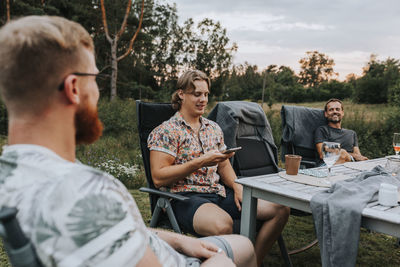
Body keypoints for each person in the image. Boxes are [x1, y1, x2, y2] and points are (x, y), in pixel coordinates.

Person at [0, 16, 257, 267]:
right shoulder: (92, 192)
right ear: (74, 88)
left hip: (164, 243)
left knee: (243, 245)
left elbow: (117, 233)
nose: (98, 93)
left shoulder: (11, 176)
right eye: (95, 79)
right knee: (237, 252)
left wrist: (179, 241)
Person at [148, 70, 290, 267]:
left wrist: (238, 187)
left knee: (280, 209)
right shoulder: (166, 131)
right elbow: (159, 177)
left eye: (206, 94)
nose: (203, 99)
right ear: (181, 94)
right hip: (185, 197)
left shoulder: (213, 128)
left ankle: (253, 261)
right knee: (223, 224)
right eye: (197, 94)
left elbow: (223, 164)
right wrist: (199, 162)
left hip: (219, 192)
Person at [315, 98, 368, 164]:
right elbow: (322, 154)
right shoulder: (322, 130)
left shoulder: (352, 133)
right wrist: (348, 154)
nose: (335, 111)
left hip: (350, 166)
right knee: (342, 153)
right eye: (331, 110)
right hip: (329, 166)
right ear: (326, 114)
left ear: (342, 113)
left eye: (337, 109)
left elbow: (358, 156)